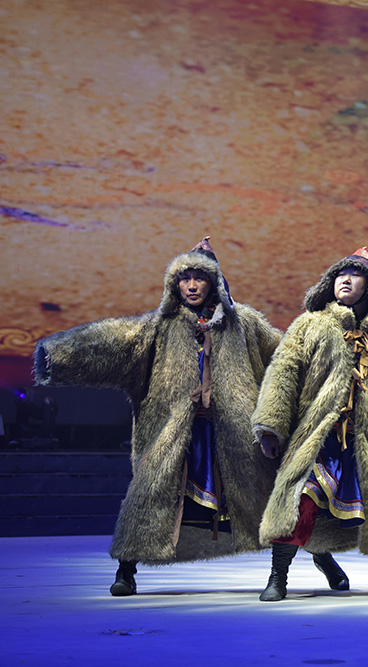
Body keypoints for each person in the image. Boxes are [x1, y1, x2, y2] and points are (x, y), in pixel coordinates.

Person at [33, 237, 282, 596]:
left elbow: (283, 355)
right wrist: (59, 354)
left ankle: (295, 568)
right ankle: (126, 570)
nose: (192, 285)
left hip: (232, 432)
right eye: (185, 278)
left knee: (268, 497)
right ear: (174, 284)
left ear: (215, 282)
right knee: (149, 495)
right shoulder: (160, 326)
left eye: (199, 278)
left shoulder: (242, 323)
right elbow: (115, 341)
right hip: (174, 430)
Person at [251, 247, 368, 600]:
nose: (346, 280)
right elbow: (283, 372)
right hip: (321, 439)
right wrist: (270, 424)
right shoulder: (310, 324)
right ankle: (278, 575)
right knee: (300, 500)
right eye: (340, 274)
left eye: (355, 275)